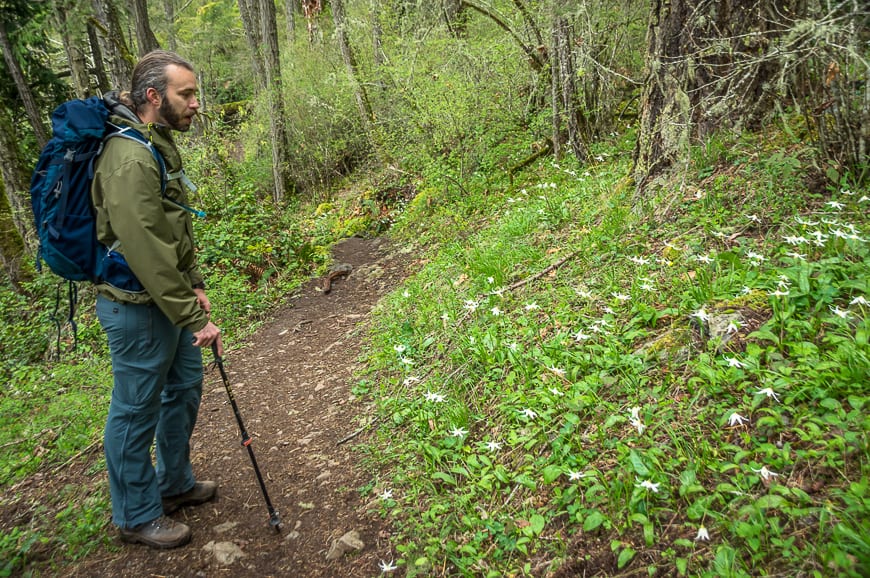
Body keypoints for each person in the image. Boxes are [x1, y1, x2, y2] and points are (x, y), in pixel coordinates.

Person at [91, 50, 222, 549]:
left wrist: (194, 280)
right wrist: (191, 316)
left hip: (164, 298)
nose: (195, 104)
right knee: (134, 409)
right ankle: (135, 514)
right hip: (134, 306)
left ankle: (174, 483)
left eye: (194, 93)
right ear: (153, 96)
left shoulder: (156, 142)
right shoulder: (127, 156)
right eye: (185, 94)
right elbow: (143, 244)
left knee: (184, 388)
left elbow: (173, 221)